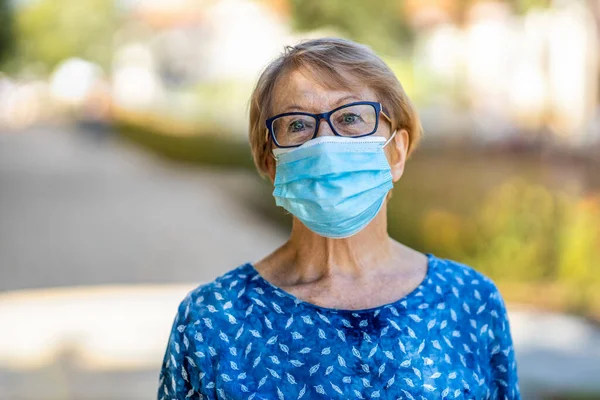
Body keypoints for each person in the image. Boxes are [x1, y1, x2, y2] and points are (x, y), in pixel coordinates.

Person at [157, 37, 521, 400]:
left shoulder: (469, 302)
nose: (326, 143)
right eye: (298, 125)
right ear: (271, 163)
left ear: (396, 152)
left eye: (350, 117)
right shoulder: (213, 319)